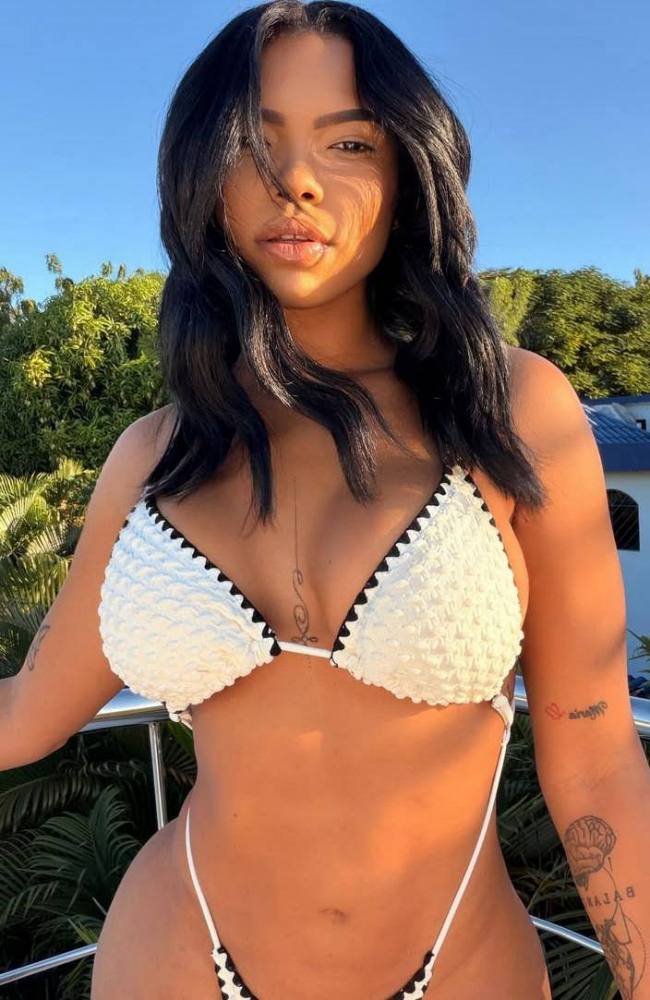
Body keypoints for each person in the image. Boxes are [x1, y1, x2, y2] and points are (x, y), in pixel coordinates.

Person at [2, 2, 648, 998]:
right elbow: (26, 715)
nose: (294, 180)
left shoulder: (511, 413)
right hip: (174, 956)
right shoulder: (153, 456)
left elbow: (596, 763)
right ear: (202, 178)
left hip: (458, 968)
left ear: (406, 175)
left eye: (347, 142)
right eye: (252, 144)